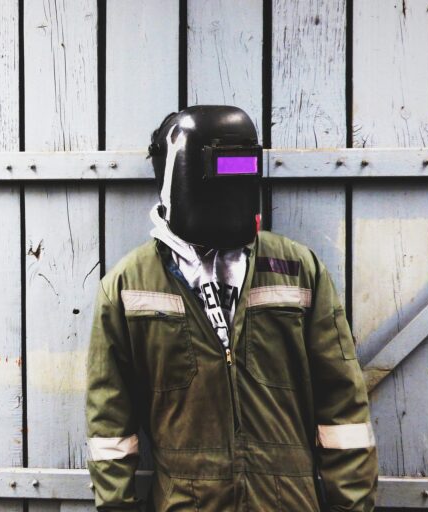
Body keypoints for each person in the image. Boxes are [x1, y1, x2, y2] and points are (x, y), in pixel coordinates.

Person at [85, 106, 378, 511]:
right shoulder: (128, 287)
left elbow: (343, 404)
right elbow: (109, 422)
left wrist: (353, 506)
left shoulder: (297, 271)